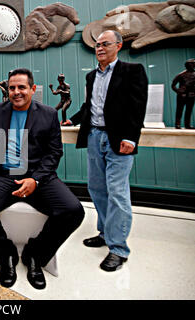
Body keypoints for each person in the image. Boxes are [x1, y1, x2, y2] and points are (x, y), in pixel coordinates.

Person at [0, 68, 85, 289]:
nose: (16, 92)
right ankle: (6, 255)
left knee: (73, 211)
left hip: (39, 177)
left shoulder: (48, 114)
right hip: (2, 175)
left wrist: (35, 180)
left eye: (22, 87)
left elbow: (54, 153)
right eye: (12, 88)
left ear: (33, 89)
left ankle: (35, 256)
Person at [63, 30, 148, 271]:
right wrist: (73, 120)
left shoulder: (132, 71)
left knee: (117, 191)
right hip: (94, 136)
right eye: (97, 45)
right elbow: (89, 105)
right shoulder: (92, 76)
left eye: (105, 44)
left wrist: (131, 137)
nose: (99, 48)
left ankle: (118, 249)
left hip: (118, 139)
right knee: (97, 188)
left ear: (118, 46)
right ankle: (104, 233)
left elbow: (137, 105)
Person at [171, 58, 195, 129]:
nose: (193, 65)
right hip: (182, 96)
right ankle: (177, 124)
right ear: (188, 65)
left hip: (191, 95)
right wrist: (178, 91)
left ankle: (187, 125)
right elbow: (173, 85)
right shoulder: (181, 75)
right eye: (192, 64)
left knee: (189, 111)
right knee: (179, 110)